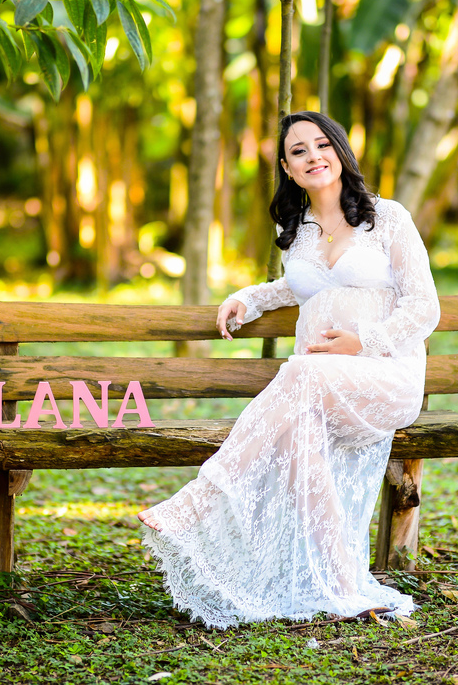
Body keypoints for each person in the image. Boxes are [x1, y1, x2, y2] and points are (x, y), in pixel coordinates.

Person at [137, 111, 441, 629]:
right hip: (318, 391)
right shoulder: (294, 230)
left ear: (341, 153)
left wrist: (362, 342)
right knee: (299, 422)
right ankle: (345, 583)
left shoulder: (387, 218)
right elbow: (299, 287)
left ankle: (198, 500)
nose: (313, 156)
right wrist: (249, 298)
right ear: (287, 167)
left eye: (323, 145)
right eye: (299, 150)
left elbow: (425, 307)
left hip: (385, 379)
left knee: (300, 372)